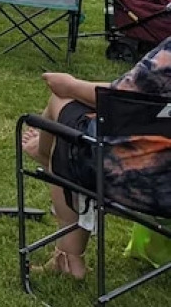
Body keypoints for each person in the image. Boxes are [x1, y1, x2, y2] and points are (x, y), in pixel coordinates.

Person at [19, 38, 171, 278]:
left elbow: (121, 98)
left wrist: (70, 85)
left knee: (63, 107)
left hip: (144, 186)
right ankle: (50, 154)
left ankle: (69, 259)